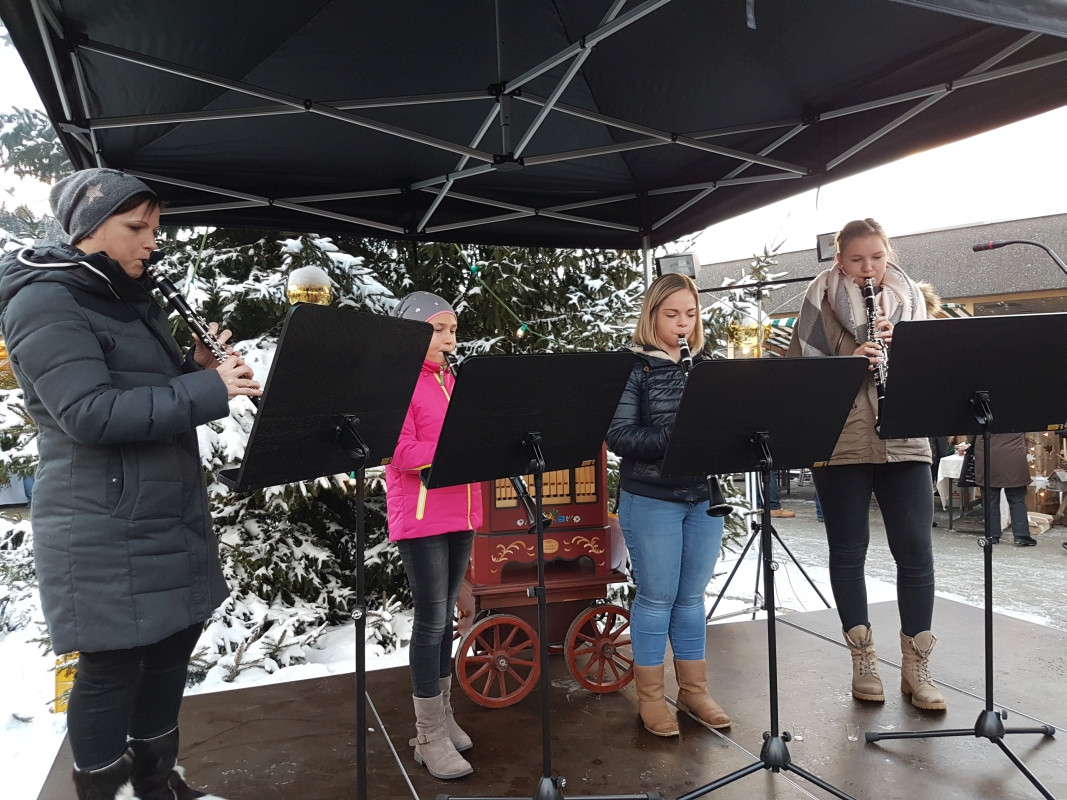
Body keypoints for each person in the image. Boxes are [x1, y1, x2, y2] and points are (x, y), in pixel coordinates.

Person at [0, 168, 261, 800]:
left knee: (172, 645)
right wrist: (208, 389)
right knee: (111, 664)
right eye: (136, 227)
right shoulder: (44, 301)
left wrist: (194, 365)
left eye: (156, 228)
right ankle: (103, 792)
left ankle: (156, 784)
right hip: (101, 518)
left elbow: (142, 386)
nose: (152, 241)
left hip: (161, 507)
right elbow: (88, 413)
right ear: (89, 229)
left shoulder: (124, 296)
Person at [788, 218, 945, 711]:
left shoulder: (909, 300)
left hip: (905, 437)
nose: (868, 268)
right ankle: (864, 660)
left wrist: (906, 349)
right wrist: (850, 361)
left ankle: (917, 667)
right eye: (856, 259)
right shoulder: (817, 301)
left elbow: (937, 372)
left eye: (876, 257)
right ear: (839, 259)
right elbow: (798, 377)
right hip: (841, 441)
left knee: (916, 552)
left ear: (887, 255)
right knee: (848, 551)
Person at [606, 273, 730, 737]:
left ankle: (694, 692)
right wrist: (678, 435)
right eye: (672, 314)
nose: (683, 323)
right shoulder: (633, 368)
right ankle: (652, 699)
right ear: (652, 315)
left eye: (691, 314)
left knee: (692, 598)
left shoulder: (706, 367)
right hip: (651, 496)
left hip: (702, 497)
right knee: (657, 599)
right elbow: (619, 436)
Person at [385, 292, 482, 780]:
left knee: (446, 622)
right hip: (422, 516)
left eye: (453, 330)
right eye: (439, 330)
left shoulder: (453, 380)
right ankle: (428, 736)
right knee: (431, 622)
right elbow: (397, 451)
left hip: (461, 509)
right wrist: (455, 442)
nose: (450, 340)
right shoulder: (398, 384)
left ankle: (443, 717)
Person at [973, 433, 1036, 546]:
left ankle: (991, 535)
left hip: (988, 454)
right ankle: (1021, 535)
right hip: (1014, 455)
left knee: (990, 500)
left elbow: (971, 434)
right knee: (1017, 498)